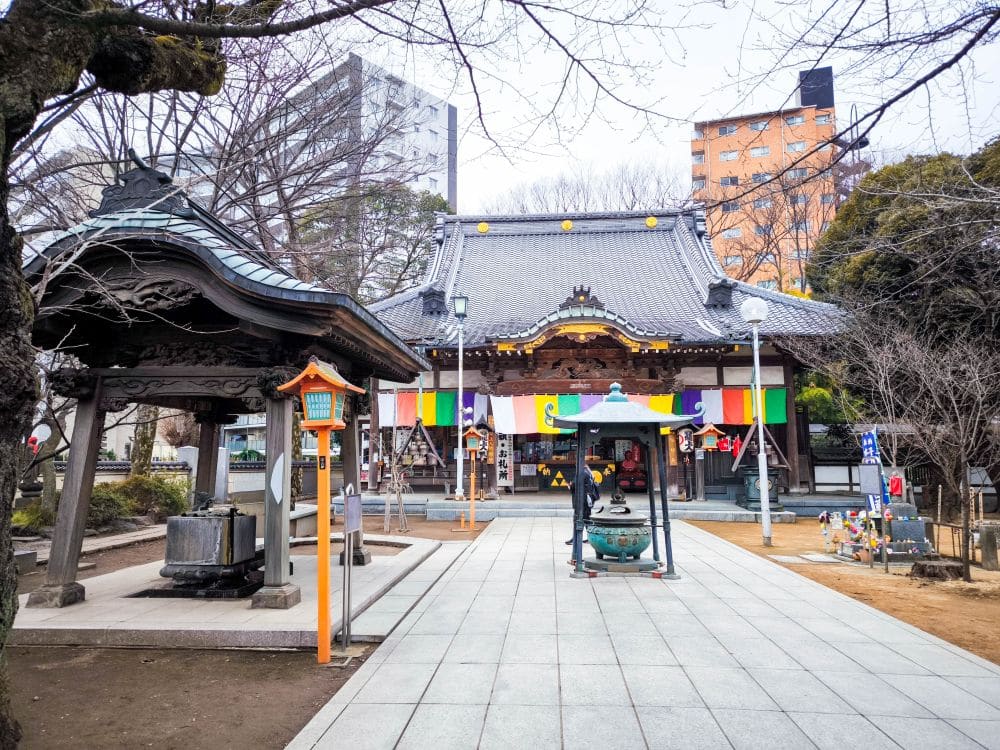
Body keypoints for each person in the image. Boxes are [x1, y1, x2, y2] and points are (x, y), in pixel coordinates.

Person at [565, 465, 600, 545]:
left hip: (581, 500)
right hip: (587, 500)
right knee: (587, 519)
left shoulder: (581, 473)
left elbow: (574, 485)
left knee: (577, 519)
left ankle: (576, 539)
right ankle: (590, 538)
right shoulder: (589, 472)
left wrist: (570, 485)